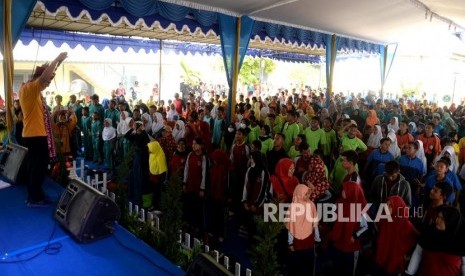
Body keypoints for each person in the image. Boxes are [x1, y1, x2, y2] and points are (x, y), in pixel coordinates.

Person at [19, 51, 68, 207]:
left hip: (34, 134)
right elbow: (45, 77)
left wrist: (58, 64)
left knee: (36, 166)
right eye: (46, 82)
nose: (47, 85)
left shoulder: (32, 92)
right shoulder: (30, 88)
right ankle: (35, 197)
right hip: (35, 135)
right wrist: (57, 59)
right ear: (38, 78)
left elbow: (48, 76)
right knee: (38, 166)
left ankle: (35, 195)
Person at [406, 206, 465, 276]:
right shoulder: (428, 235)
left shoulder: (461, 243)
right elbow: (417, 255)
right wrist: (409, 273)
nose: (437, 220)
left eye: (442, 219)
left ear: (451, 221)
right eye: (438, 217)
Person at [373, 196, 418, 275]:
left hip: (395, 260)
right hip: (382, 256)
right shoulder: (383, 219)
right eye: (386, 205)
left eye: (390, 206)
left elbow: (416, 239)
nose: (387, 207)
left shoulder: (406, 224)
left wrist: (407, 255)